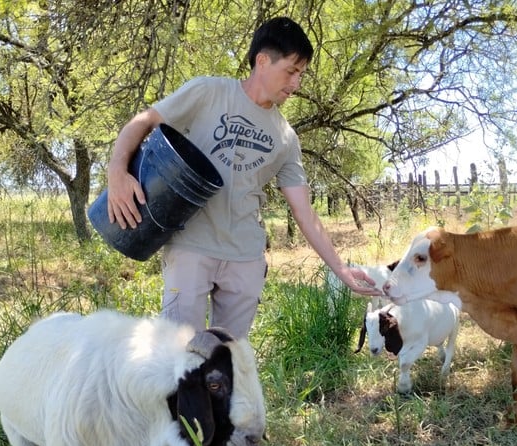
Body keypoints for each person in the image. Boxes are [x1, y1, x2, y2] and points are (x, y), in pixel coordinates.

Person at [106, 16, 382, 338]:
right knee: (179, 360)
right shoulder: (208, 91)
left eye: (302, 75)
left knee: (228, 364)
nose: (296, 84)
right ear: (262, 61)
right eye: (291, 72)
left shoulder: (286, 137)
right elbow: (144, 121)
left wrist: (340, 268)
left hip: (245, 258)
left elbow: (304, 212)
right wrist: (117, 173)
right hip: (191, 246)